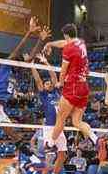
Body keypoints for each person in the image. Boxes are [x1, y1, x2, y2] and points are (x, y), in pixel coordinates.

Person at [42, 23, 98, 151]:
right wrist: (49, 44)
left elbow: (63, 71)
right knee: (77, 122)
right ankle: (95, 138)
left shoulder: (69, 49)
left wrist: (60, 83)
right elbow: (65, 43)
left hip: (72, 86)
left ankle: (50, 144)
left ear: (66, 35)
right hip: (84, 87)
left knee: (60, 118)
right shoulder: (81, 42)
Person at [28, 35, 68, 174]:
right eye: (47, 84)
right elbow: (38, 79)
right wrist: (32, 66)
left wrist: (46, 63)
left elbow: (54, 77)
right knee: (50, 156)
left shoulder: (57, 92)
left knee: (63, 155)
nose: (49, 84)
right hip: (50, 128)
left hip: (60, 126)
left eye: (50, 84)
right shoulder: (44, 96)